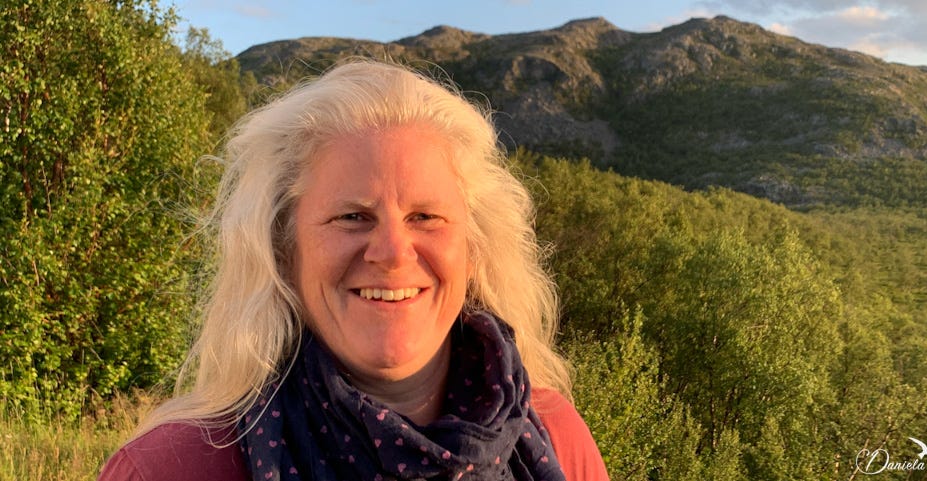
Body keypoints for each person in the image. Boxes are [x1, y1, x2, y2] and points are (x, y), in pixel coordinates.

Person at [98, 59, 609, 481]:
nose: (390, 251)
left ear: (473, 249)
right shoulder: (173, 468)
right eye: (351, 217)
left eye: (425, 217)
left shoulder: (557, 436)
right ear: (283, 252)